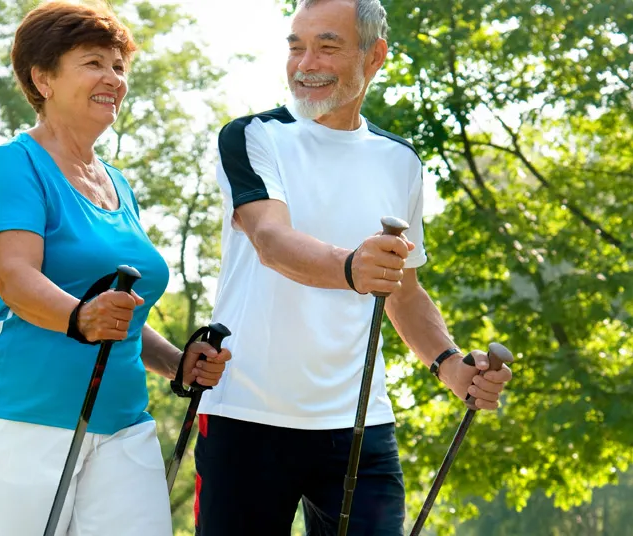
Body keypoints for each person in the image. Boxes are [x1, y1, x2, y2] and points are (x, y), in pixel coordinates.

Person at [193, 0, 513, 535]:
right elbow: (271, 240)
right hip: (245, 418)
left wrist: (452, 366)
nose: (305, 62)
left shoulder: (400, 160)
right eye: (296, 46)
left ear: (375, 57)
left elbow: (404, 293)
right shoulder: (252, 136)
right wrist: (351, 267)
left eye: (328, 46)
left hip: (362, 428)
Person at [0, 3, 231, 535]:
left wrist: (177, 363)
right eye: (94, 62)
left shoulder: (118, 184)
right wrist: (80, 317)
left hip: (121, 422)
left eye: (119, 66)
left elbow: (119, 314)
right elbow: (15, 279)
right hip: (16, 413)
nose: (113, 79)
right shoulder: (16, 164)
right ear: (43, 78)